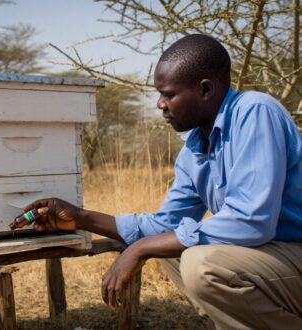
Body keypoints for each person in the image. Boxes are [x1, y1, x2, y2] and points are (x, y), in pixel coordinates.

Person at [24, 34, 302, 329]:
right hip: (272, 257)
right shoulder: (194, 150)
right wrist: (81, 218)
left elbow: (252, 221)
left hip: (293, 249)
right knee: (172, 249)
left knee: (200, 265)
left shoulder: (255, 112)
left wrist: (139, 249)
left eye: (168, 94)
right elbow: (168, 225)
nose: (160, 104)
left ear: (205, 89)